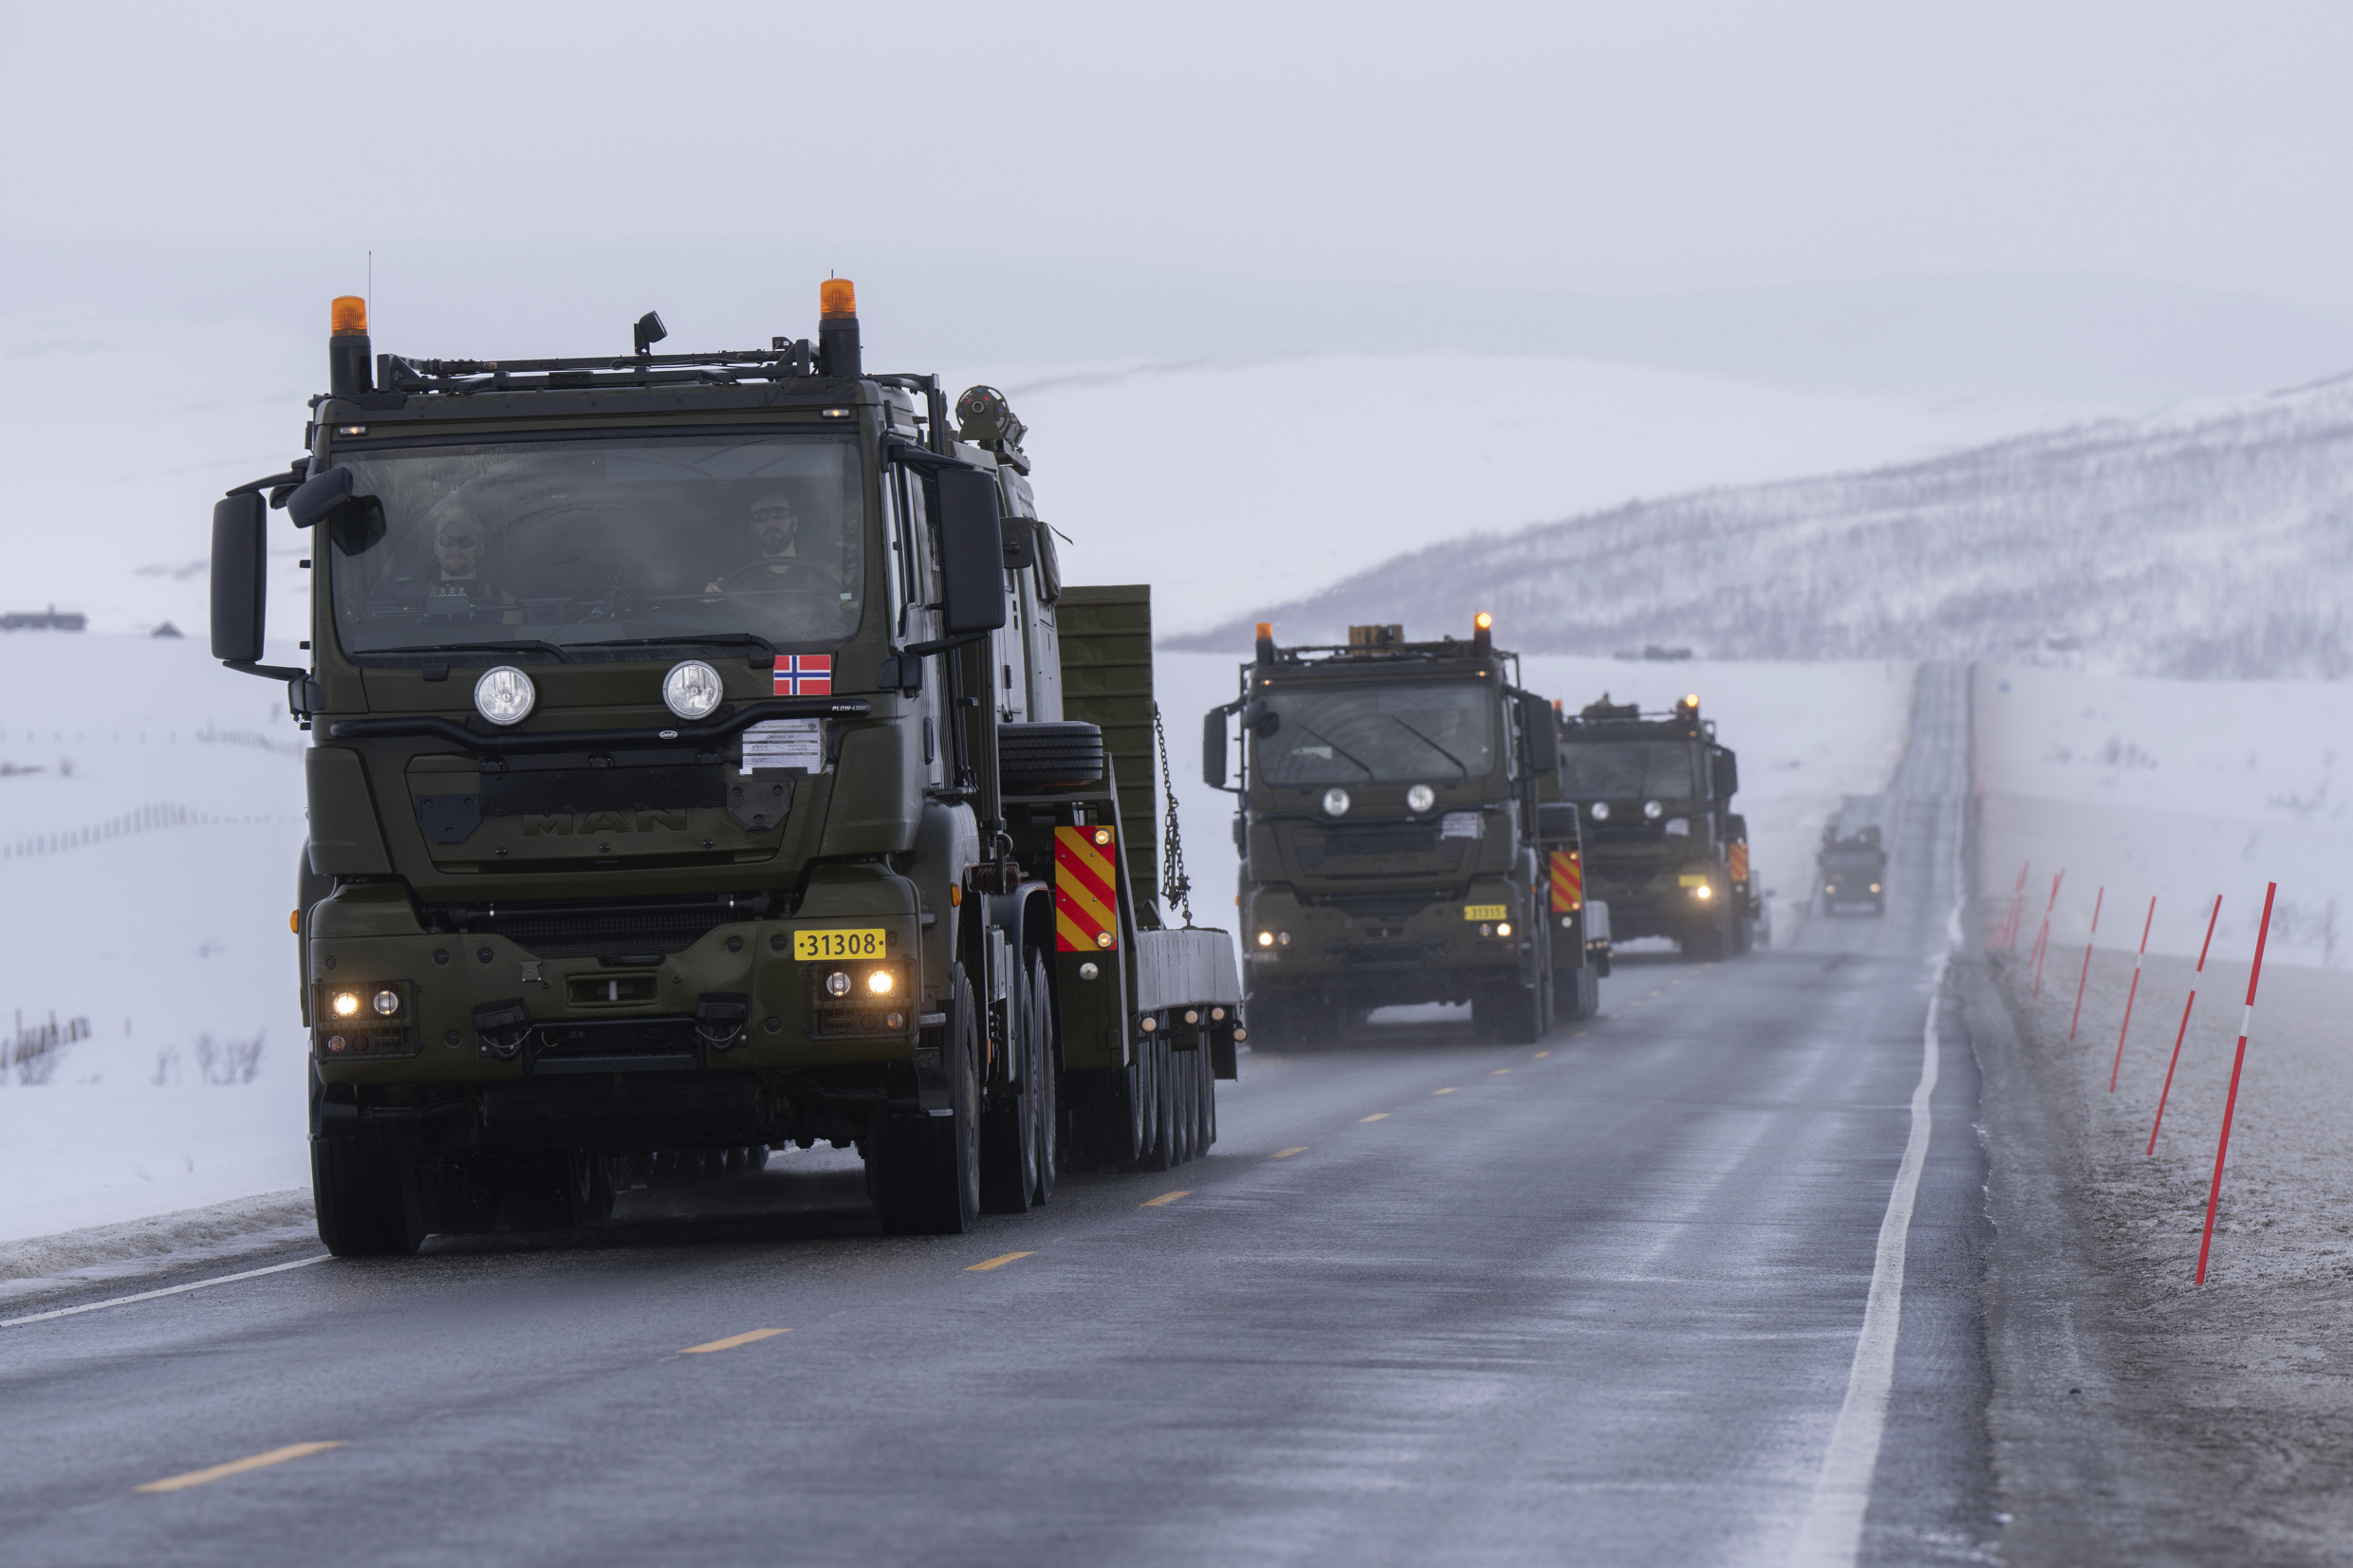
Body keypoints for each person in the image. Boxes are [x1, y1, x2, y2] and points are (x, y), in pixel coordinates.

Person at [707, 493, 819, 592]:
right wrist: (710, 600)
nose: (771, 523)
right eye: (760, 516)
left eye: (779, 514)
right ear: (752, 529)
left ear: (794, 523)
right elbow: (712, 613)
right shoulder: (735, 583)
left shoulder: (826, 575)